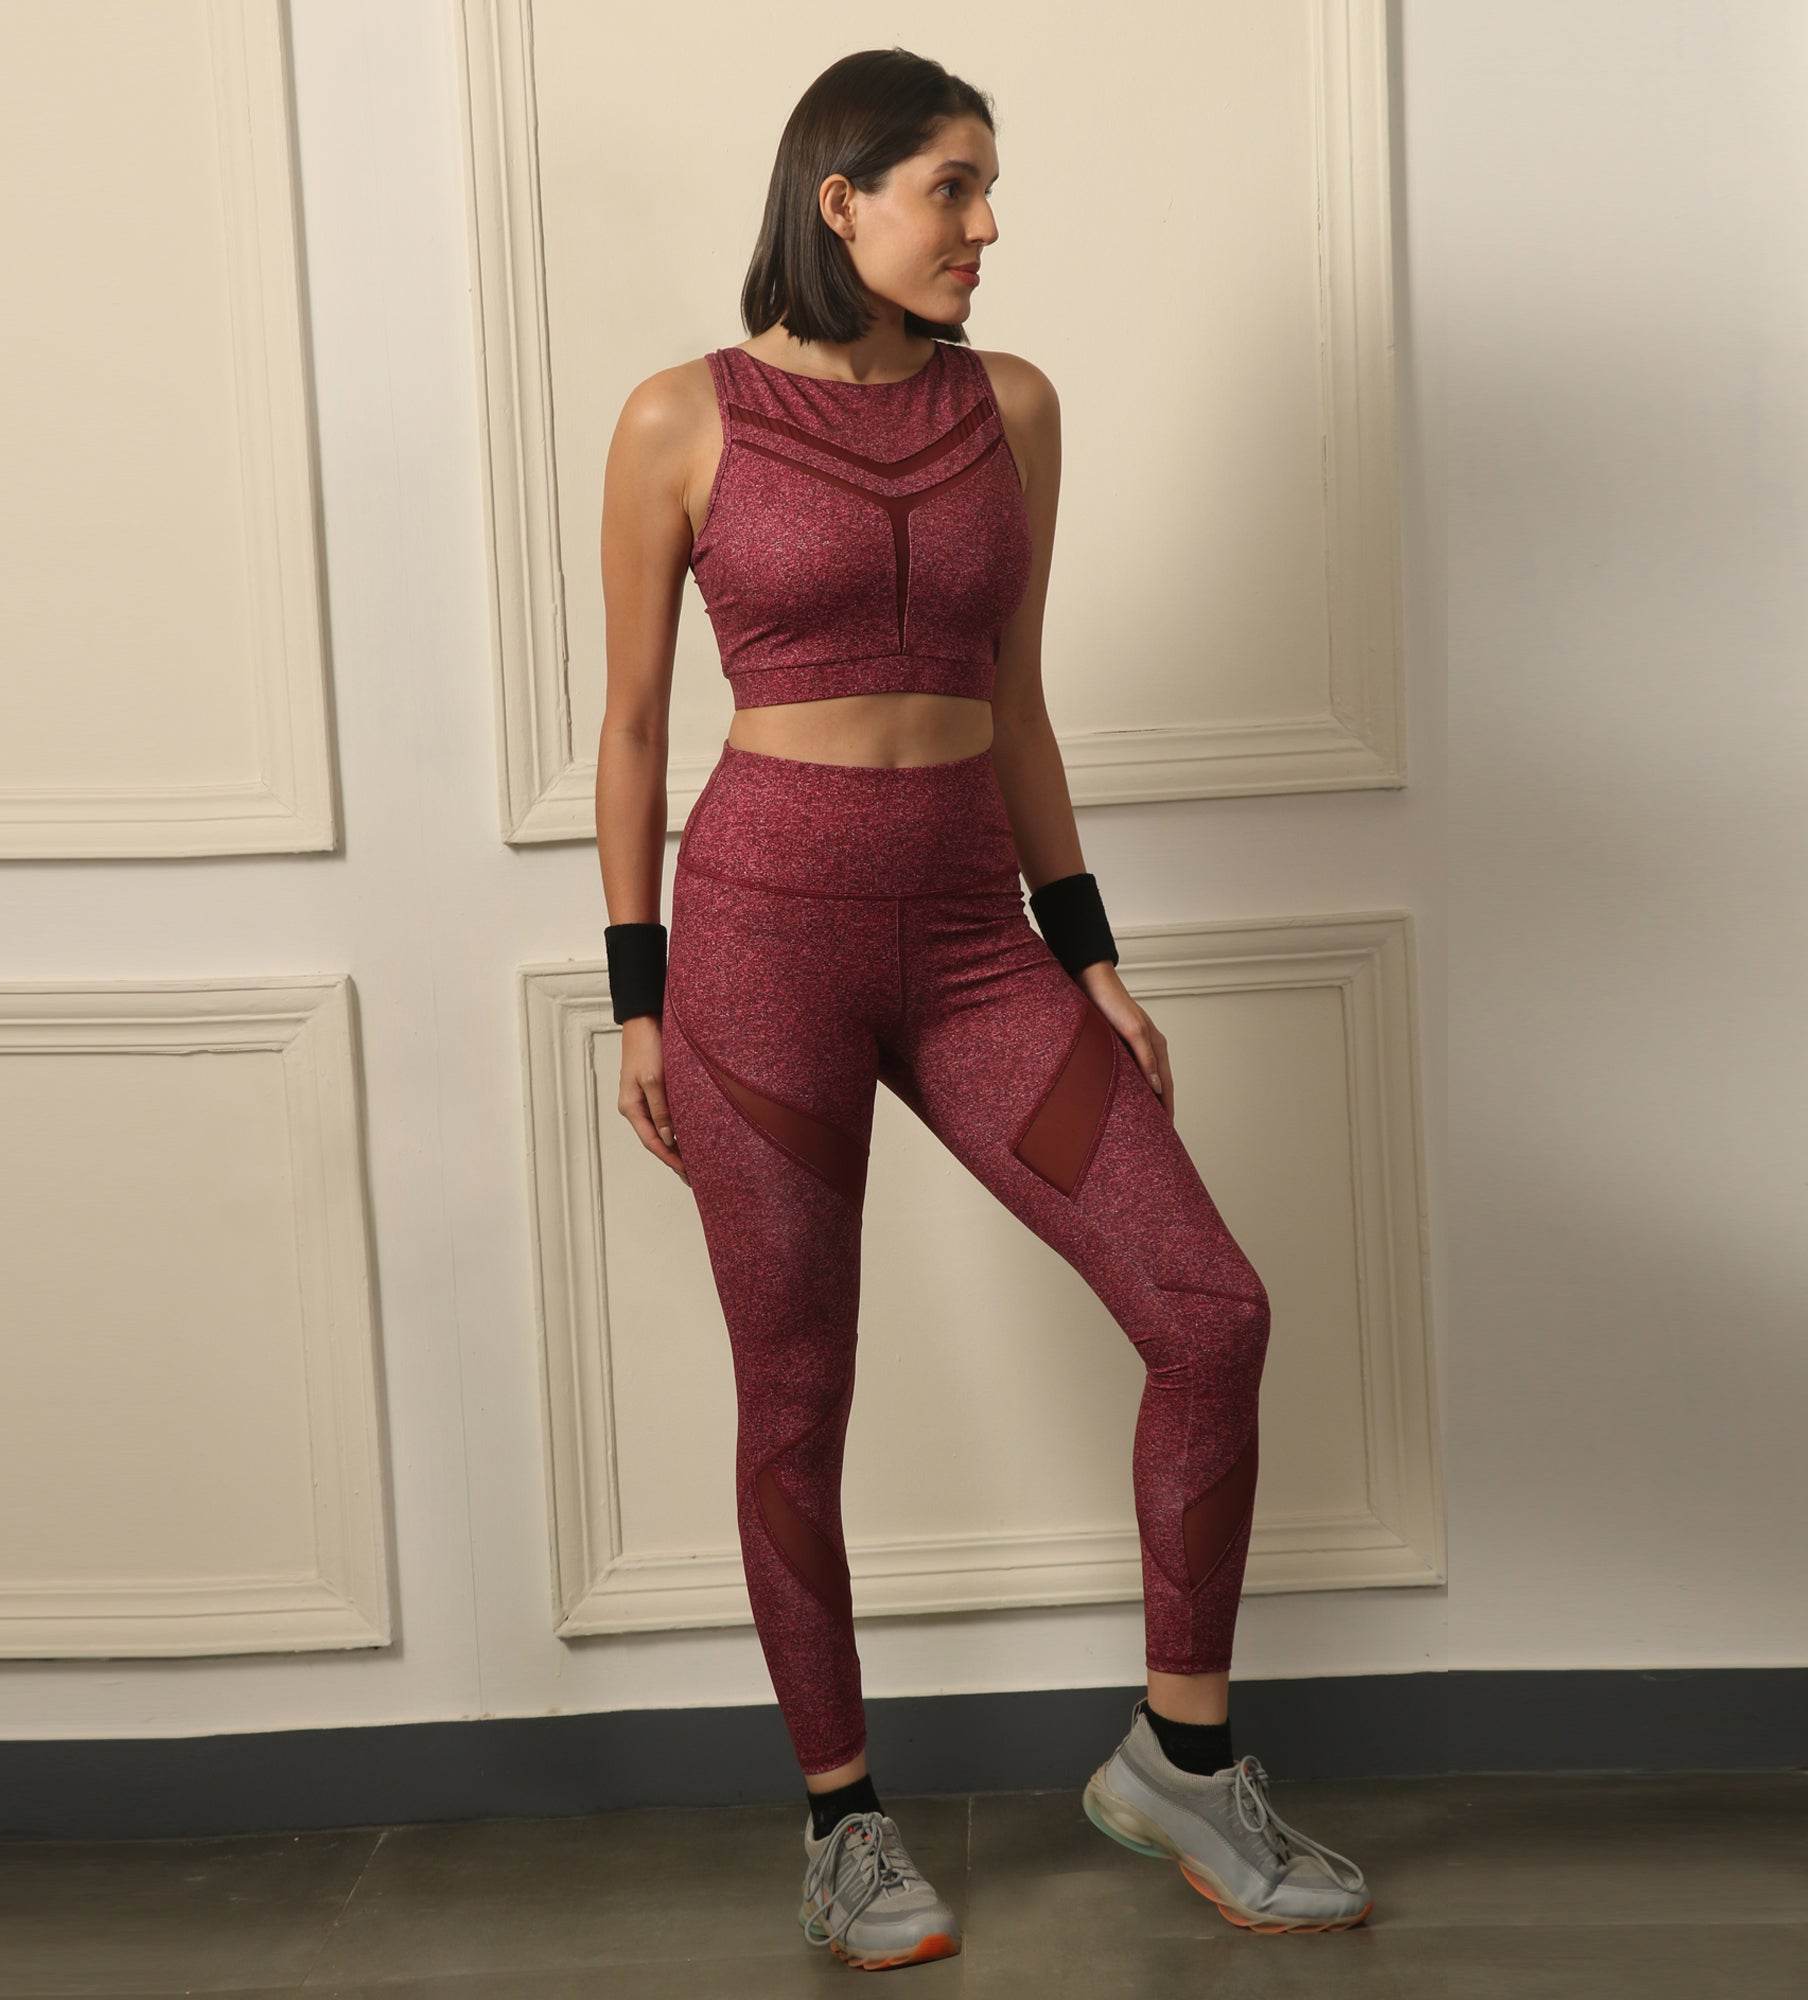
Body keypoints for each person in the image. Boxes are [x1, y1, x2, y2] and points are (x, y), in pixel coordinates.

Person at [594, 47, 1370, 1970]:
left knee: (1211, 1311)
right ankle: (843, 1824)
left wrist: (1086, 954)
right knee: (798, 1395)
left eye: (988, 188)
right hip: (758, 953)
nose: (987, 227)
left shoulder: (1011, 408)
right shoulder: (681, 417)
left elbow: (1018, 703)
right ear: (839, 197)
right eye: (953, 187)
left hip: (968, 945)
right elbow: (630, 730)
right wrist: (638, 999)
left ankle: (1179, 1761)